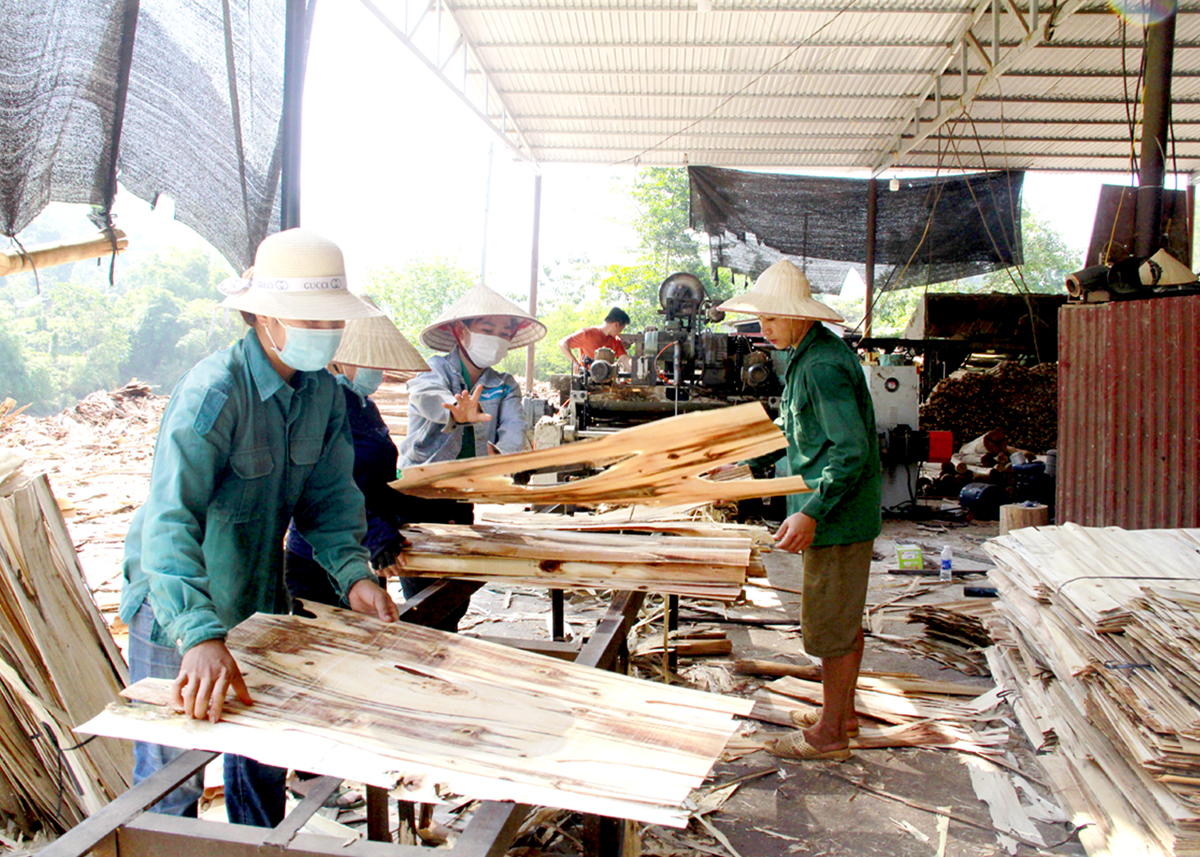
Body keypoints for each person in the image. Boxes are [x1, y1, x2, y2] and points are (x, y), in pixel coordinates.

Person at [117, 228, 399, 827]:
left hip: (258, 598)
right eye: (310, 320)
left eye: (331, 322)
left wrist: (354, 578)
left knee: (263, 763)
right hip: (178, 605)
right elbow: (170, 523)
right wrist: (197, 636)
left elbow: (328, 502)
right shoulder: (214, 394)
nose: (323, 334)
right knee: (171, 782)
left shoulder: (323, 394)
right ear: (265, 316)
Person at [716, 260, 882, 762]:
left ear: (799, 316)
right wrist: (748, 464)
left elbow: (850, 450)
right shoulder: (804, 356)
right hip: (832, 508)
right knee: (840, 618)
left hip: (837, 512)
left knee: (830, 626)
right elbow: (794, 428)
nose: (763, 328)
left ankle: (830, 735)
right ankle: (843, 714)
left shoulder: (822, 366)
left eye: (772, 318)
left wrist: (811, 511)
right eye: (760, 318)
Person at [396, 283, 546, 613]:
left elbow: (514, 426)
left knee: (454, 596)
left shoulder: (503, 384)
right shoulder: (434, 369)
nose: (496, 337)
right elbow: (426, 395)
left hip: (461, 498)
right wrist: (454, 409)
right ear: (460, 332)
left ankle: (445, 647)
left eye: (504, 332)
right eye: (487, 329)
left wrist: (501, 459)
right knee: (422, 595)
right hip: (417, 497)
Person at [558, 307, 631, 372]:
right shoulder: (587, 333)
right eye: (621, 329)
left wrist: (638, 371)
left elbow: (625, 359)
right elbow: (563, 343)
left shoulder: (616, 340)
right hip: (586, 383)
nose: (620, 332)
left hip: (607, 382)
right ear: (616, 325)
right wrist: (574, 362)